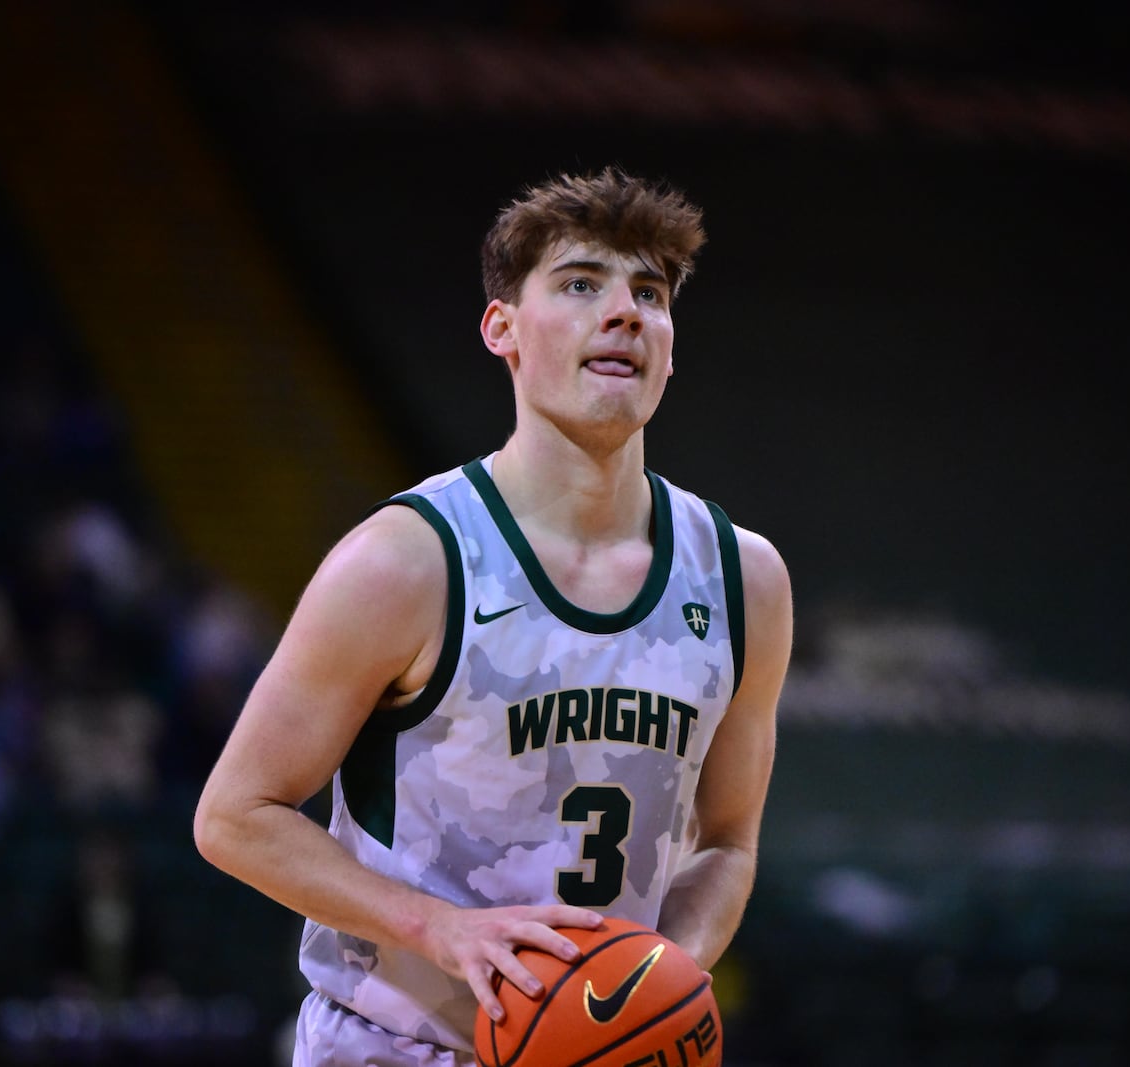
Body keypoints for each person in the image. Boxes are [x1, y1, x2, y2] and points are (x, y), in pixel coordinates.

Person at [195, 167, 793, 1066]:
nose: (625, 311)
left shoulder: (744, 578)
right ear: (501, 329)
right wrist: (440, 930)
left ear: (670, 346)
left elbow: (731, 841)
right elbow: (235, 815)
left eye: (651, 293)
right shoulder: (406, 561)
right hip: (396, 1045)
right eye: (582, 283)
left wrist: (658, 980)